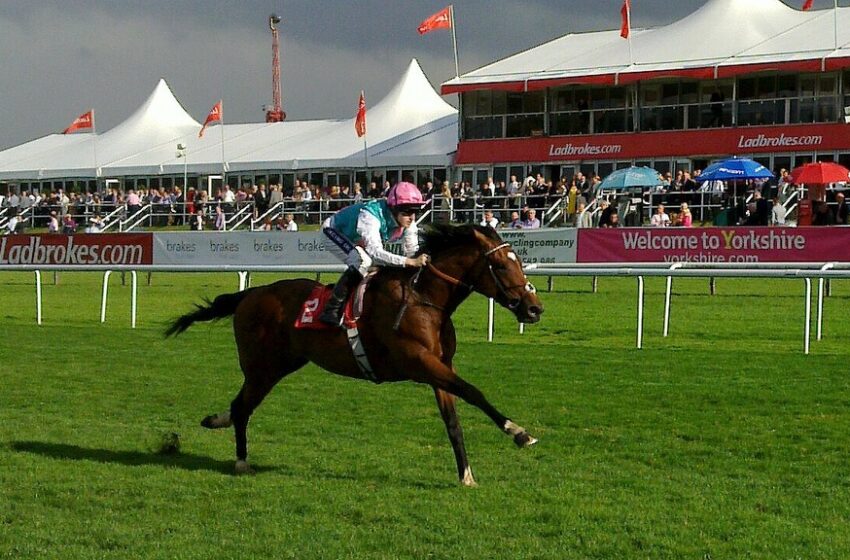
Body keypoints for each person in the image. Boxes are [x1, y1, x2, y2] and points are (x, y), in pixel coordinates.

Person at [318, 181, 430, 326]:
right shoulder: (370, 216)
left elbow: (412, 251)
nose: (412, 217)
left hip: (357, 239)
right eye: (407, 211)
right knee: (362, 261)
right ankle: (331, 310)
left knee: (373, 266)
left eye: (416, 211)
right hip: (332, 231)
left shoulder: (409, 223)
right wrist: (409, 261)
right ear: (394, 208)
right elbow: (375, 253)